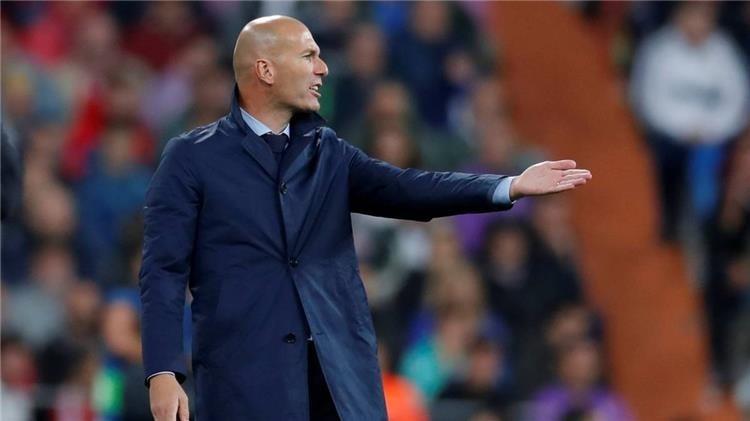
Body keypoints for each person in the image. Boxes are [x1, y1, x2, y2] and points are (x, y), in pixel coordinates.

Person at [140, 15, 591, 421]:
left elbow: (410, 188)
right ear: (266, 70)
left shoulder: (327, 151)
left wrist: (509, 186)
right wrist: (162, 371)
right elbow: (162, 271)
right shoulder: (191, 158)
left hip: (340, 383)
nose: (323, 68)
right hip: (246, 385)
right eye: (308, 56)